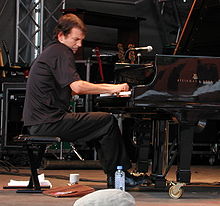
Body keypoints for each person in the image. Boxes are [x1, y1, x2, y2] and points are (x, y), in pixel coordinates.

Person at [23, 13, 146, 188]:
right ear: (61, 36)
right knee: (107, 121)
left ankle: (115, 175)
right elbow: (78, 88)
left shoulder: (51, 51)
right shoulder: (61, 51)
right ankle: (120, 175)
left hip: (39, 121)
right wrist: (114, 88)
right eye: (76, 39)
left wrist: (104, 91)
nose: (79, 44)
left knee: (98, 125)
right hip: (48, 122)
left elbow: (66, 90)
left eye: (81, 40)